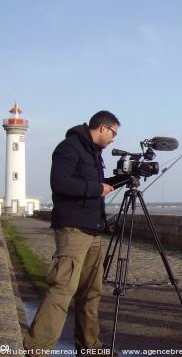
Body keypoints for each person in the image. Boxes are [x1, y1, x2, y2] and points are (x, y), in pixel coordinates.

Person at [24, 111, 128, 356]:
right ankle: (36, 349)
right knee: (62, 289)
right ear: (103, 128)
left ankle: (89, 347)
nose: (114, 139)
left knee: (91, 292)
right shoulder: (69, 148)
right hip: (73, 229)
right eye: (114, 133)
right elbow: (60, 183)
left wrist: (125, 178)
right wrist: (95, 188)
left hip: (92, 230)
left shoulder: (93, 153)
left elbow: (100, 187)